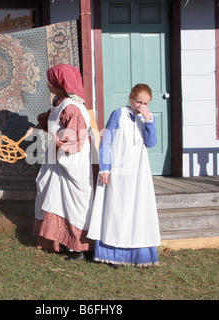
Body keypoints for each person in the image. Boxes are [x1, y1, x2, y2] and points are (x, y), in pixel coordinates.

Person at [87, 83, 161, 268]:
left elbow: (151, 143)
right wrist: (105, 168)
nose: (141, 106)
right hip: (119, 170)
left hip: (138, 172)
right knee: (117, 210)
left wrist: (149, 120)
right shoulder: (118, 114)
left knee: (138, 211)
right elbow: (108, 141)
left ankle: (139, 254)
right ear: (130, 97)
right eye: (138, 102)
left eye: (145, 103)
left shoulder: (145, 118)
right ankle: (113, 253)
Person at [28, 64, 94, 261]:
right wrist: (37, 128)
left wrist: (52, 140)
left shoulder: (72, 108)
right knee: (54, 198)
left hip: (70, 159)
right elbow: (51, 118)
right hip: (56, 158)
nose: (47, 84)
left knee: (73, 201)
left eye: (50, 80)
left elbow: (75, 139)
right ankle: (60, 242)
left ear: (58, 83)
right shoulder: (60, 102)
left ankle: (79, 248)